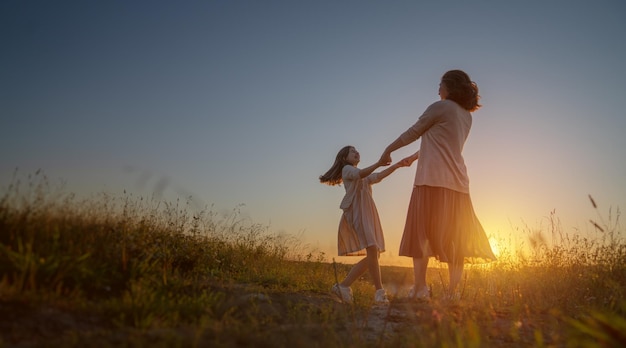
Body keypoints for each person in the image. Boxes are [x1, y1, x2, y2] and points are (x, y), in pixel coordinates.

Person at [379, 69, 496, 300]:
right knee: (455, 238)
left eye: (440, 84)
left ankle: (420, 288)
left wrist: (388, 150)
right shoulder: (466, 116)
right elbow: (440, 142)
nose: (437, 89)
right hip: (458, 184)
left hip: (431, 181)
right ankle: (453, 293)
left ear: (449, 87)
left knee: (421, 234)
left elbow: (413, 133)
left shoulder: (439, 107)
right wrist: (414, 157)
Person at [320, 145, 418, 304]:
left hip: (367, 212)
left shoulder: (362, 175)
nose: (356, 152)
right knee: (372, 249)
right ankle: (379, 292)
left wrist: (397, 165)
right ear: (344, 158)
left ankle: (343, 286)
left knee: (374, 254)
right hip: (357, 212)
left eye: (356, 150)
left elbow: (377, 176)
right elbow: (360, 173)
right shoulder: (347, 170)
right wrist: (379, 162)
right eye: (352, 151)